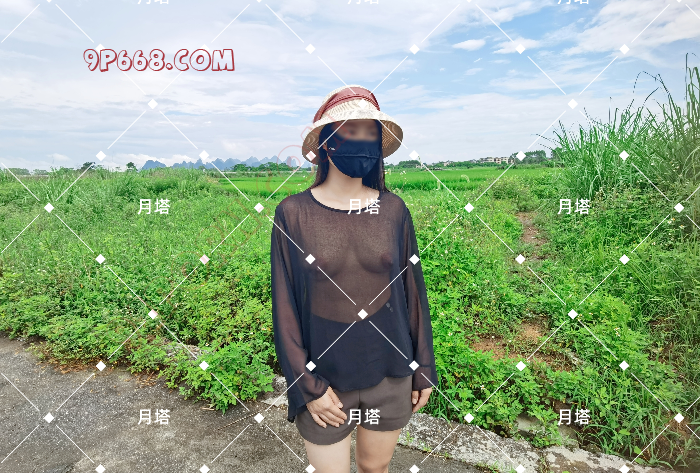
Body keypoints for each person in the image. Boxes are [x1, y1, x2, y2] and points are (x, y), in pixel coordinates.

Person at [270, 84, 438, 473]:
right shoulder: (292, 214)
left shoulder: (394, 210)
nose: (361, 141)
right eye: (350, 130)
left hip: (390, 370)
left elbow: (413, 291)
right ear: (327, 142)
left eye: (369, 133)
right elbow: (284, 306)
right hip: (324, 377)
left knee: (375, 468)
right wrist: (306, 385)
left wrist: (424, 367)